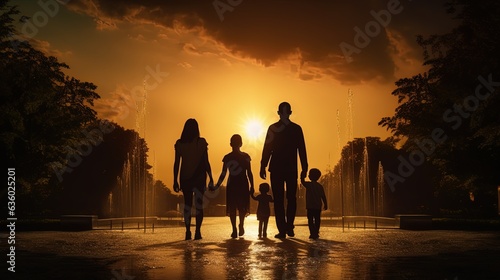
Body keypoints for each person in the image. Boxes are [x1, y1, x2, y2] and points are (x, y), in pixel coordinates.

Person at [260, 102, 308, 238]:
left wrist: (263, 165)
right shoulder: (295, 129)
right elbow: (267, 148)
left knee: (285, 199)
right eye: (284, 112)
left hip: (281, 168)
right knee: (285, 199)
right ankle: (286, 227)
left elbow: (268, 148)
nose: (285, 114)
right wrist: (304, 167)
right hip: (286, 168)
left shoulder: (276, 128)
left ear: (279, 112)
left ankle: (286, 227)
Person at [173, 119, 214, 240]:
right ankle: (198, 231)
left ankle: (187, 231)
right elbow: (206, 162)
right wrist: (211, 177)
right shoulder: (201, 142)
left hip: (185, 177)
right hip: (199, 177)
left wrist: (175, 180)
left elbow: (176, 164)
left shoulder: (180, 144)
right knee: (199, 206)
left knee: (187, 205)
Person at [213, 134, 254, 238]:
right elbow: (249, 172)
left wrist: (217, 185)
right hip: (243, 183)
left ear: (230, 144)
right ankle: (241, 225)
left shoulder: (228, 157)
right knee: (241, 207)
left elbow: (223, 173)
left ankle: (234, 229)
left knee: (232, 207)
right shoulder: (245, 156)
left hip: (233, 183)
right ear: (241, 143)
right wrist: (252, 186)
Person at [301, 168, 327, 239]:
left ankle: (312, 233)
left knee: (310, 219)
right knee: (317, 219)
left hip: (310, 206)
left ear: (310, 176)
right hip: (318, 206)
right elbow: (323, 196)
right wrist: (325, 204)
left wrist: (302, 175)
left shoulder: (308, 185)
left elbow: (302, 182)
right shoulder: (320, 186)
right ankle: (316, 232)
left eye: (309, 174)